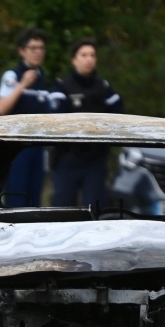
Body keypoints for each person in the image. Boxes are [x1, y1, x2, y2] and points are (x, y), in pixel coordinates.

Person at [49, 38, 123, 208]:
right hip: (68, 158)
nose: (89, 59)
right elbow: (55, 119)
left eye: (92, 55)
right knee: (62, 210)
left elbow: (119, 116)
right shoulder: (63, 87)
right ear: (74, 59)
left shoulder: (103, 87)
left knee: (95, 211)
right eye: (83, 55)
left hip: (95, 160)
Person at [0, 27, 51, 207]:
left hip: (38, 146)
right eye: (33, 48)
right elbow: (2, 108)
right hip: (17, 147)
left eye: (41, 48)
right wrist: (22, 85)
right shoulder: (13, 75)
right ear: (22, 51)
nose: (38, 52)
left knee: (34, 199)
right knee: (17, 197)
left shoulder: (43, 79)